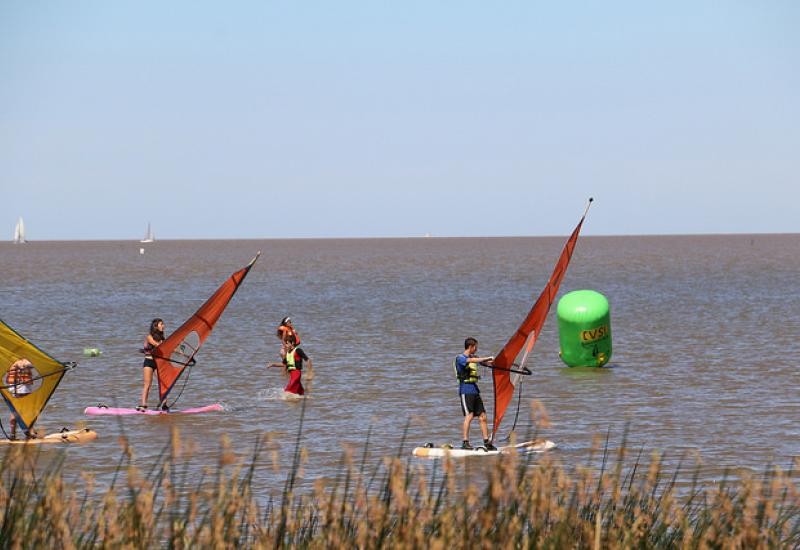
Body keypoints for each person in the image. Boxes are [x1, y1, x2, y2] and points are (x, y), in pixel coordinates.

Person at [454, 337, 496, 450]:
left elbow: (485, 362)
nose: (476, 349)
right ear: (471, 347)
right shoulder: (460, 358)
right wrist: (487, 357)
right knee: (470, 415)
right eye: (476, 347)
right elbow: (471, 361)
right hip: (465, 390)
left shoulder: (474, 358)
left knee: (483, 416)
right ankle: (465, 442)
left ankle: (486, 442)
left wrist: (494, 361)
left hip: (474, 390)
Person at [138, 318, 165, 411]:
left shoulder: (162, 338)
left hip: (158, 363)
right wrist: (165, 344)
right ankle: (143, 404)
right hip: (149, 362)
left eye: (163, 324)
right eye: (161, 324)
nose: (163, 326)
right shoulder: (149, 337)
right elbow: (156, 345)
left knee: (163, 383)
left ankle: (164, 404)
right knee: (147, 384)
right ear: (156, 326)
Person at [6, 358, 34, 439]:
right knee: (25, 410)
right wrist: (27, 364)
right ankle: (29, 432)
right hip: (21, 388)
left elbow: (28, 365)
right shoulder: (19, 361)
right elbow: (23, 365)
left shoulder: (11, 361)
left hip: (17, 388)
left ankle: (13, 434)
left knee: (15, 410)